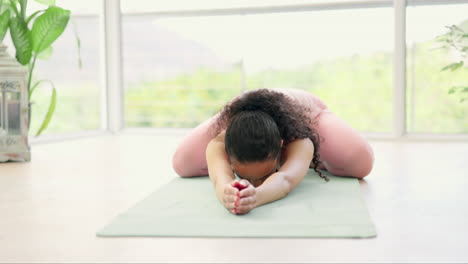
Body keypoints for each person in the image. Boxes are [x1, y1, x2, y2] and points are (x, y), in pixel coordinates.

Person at [172, 88, 374, 215]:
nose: (255, 183)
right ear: (227, 151)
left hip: (305, 110)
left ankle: (311, 159)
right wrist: (226, 192)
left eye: (266, 175)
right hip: (242, 107)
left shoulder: (299, 139)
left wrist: (256, 197)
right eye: (245, 176)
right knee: (182, 163)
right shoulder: (221, 139)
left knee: (360, 160)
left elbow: (285, 179)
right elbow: (219, 178)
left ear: (281, 146)